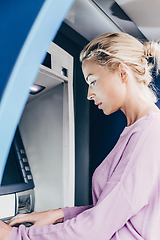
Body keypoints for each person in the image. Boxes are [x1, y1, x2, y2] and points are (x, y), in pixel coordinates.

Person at [1, 32, 160, 240]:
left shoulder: (149, 133)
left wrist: (16, 236)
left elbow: (97, 228)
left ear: (122, 73)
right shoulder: (138, 130)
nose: (88, 94)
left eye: (93, 81)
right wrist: (59, 214)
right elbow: (112, 212)